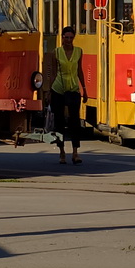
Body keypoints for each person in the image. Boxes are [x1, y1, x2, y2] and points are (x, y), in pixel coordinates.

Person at [47, 25, 86, 165]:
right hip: (58, 89)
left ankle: (75, 153)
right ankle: (62, 152)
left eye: (71, 37)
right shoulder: (56, 52)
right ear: (62, 38)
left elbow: (79, 70)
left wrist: (84, 89)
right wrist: (49, 91)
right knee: (59, 122)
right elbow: (52, 73)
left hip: (73, 89)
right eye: (66, 37)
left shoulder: (78, 52)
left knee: (75, 122)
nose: (68, 40)